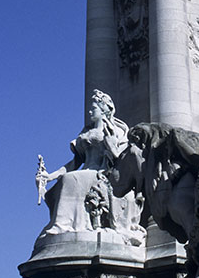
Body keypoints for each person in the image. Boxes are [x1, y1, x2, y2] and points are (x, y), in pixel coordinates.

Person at [36, 89, 129, 239]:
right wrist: (49, 176)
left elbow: (120, 160)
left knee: (69, 179)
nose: (90, 112)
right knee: (61, 184)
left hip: (101, 173)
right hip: (84, 172)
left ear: (104, 110)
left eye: (94, 109)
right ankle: (66, 224)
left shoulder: (116, 132)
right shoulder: (86, 131)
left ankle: (63, 225)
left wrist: (112, 148)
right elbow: (74, 163)